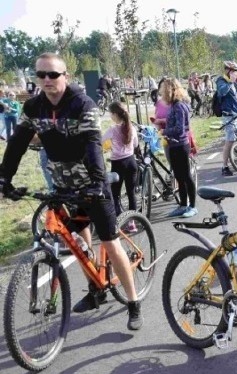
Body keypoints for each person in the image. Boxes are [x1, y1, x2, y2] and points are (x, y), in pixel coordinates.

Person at [0, 52, 143, 330]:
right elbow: (17, 142)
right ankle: (94, 288)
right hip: (63, 186)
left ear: (65, 76)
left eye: (53, 74)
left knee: (110, 243)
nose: (47, 80)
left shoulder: (82, 104)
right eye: (41, 75)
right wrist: (4, 177)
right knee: (76, 239)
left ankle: (133, 302)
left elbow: (92, 143)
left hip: (92, 185)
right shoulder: (33, 108)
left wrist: (97, 183)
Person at [159, 78, 197, 218]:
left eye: (164, 91)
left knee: (186, 176)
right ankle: (182, 204)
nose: (162, 94)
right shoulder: (174, 106)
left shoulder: (179, 106)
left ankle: (192, 206)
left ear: (170, 91)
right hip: (173, 145)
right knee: (179, 177)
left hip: (181, 145)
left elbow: (180, 129)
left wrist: (165, 131)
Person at [103, 102, 139, 216]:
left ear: (114, 114)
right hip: (131, 162)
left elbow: (99, 141)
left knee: (115, 193)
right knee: (131, 193)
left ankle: (118, 220)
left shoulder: (112, 129)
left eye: (110, 114)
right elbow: (135, 144)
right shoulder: (131, 127)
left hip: (118, 164)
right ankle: (132, 221)